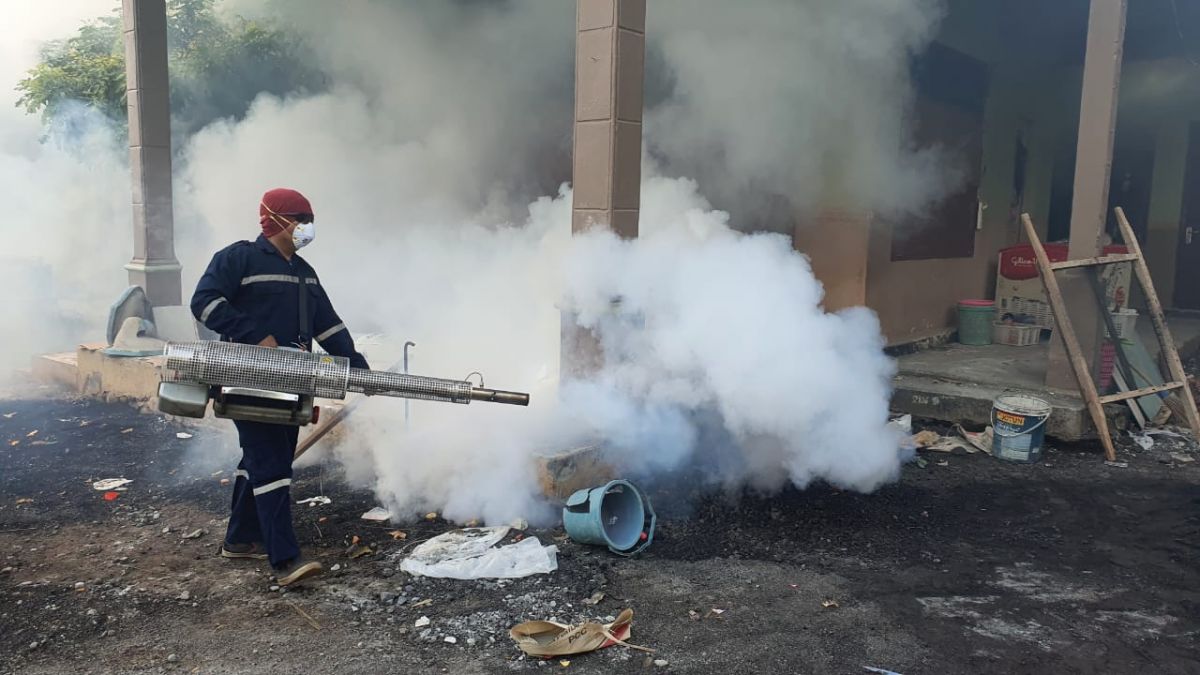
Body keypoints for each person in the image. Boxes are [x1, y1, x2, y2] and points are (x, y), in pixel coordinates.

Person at [190, 187, 369, 586]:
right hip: (248, 378)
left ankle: (240, 540)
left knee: (263, 459)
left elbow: (328, 325)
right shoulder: (238, 258)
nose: (307, 228)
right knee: (270, 460)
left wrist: (358, 367)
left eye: (309, 221)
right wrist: (256, 335)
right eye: (302, 220)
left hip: (293, 381)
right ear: (278, 221)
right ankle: (285, 560)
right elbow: (204, 302)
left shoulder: (304, 272)